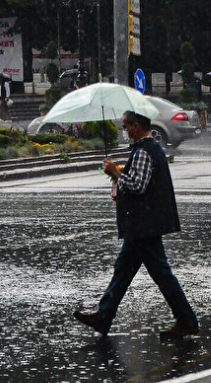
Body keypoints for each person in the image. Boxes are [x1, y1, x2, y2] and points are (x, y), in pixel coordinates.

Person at [73, 110, 199, 340]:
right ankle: (104, 316)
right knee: (123, 269)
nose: (125, 130)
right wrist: (117, 180)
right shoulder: (148, 149)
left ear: (136, 126)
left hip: (144, 224)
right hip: (143, 224)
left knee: (161, 274)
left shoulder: (143, 151)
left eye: (126, 126)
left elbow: (138, 185)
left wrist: (115, 173)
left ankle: (187, 320)